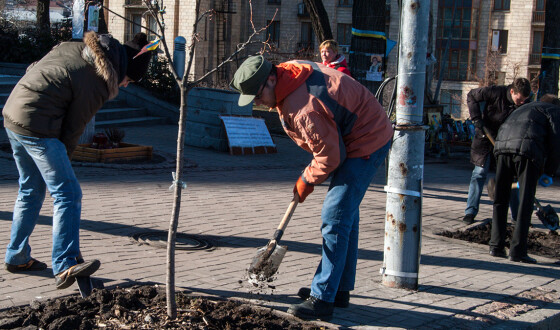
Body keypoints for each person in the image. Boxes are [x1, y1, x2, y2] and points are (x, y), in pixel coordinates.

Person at [230, 55, 393, 320]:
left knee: (335, 216)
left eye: (257, 96)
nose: (257, 103)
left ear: (271, 79)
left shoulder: (304, 107)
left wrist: (306, 179)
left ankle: (323, 299)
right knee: (344, 215)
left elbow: (330, 155)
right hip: (348, 135)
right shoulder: (289, 75)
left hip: (367, 139)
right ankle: (338, 289)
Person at [2, 31, 152, 289]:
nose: (126, 85)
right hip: (39, 126)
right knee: (68, 193)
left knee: (31, 189)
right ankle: (65, 264)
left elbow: (34, 67)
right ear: (122, 69)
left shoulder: (74, 47)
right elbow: (74, 128)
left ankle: (17, 256)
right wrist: (64, 164)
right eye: (129, 80)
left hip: (14, 113)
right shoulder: (99, 81)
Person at [489, 94, 560, 264]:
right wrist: (549, 172)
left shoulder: (524, 108)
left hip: (502, 148)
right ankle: (518, 251)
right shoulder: (555, 111)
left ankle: (496, 246)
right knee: (525, 201)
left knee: (501, 198)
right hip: (527, 151)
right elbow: (557, 143)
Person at [462, 78, 531, 225]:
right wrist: (476, 118)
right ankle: (470, 212)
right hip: (485, 139)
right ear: (512, 91)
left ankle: (517, 216)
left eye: (524, 100)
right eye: (519, 100)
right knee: (479, 174)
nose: (521, 103)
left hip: (508, 144)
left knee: (512, 178)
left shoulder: (524, 104)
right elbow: (472, 95)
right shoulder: (495, 92)